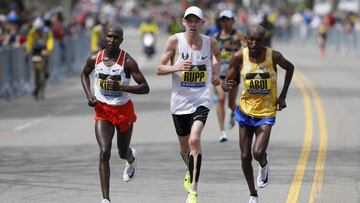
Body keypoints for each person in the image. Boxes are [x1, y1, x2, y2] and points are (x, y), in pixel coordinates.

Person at [222, 25, 294, 203]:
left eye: (258, 40)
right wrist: (226, 86)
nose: (254, 43)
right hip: (245, 111)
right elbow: (227, 82)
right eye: (251, 39)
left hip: (266, 111)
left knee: (257, 152)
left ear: (264, 40)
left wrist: (283, 95)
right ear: (246, 39)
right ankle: (253, 194)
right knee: (245, 156)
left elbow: (290, 68)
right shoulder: (240, 56)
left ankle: (264, 163)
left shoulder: (273, 56)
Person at [156, 6, 221, 203]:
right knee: (185, 148)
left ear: (202, 23)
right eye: (189, 20)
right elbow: (159, 68)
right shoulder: (175, 41)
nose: (192, 24)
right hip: (179, 102)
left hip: (201, 99)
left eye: (196, 20)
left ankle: (193, 190)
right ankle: (188, 169)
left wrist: (216, 74)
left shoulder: (210, 42)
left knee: (195, 140)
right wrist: (175, 67)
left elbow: (217, 56)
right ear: (183, 22)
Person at [81, 25, 150, 203]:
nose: (112, 40)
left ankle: (131, 158)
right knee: (104, 151)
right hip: (103, 110)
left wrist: (121, 87)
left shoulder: (127, 61)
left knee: (122, 152)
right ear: (105, 37)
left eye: (116, 37)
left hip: (123, 111)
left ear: (121, 40)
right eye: (110, 36)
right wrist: (89, 95)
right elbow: (84, 75)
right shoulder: (94, 59)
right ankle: (106, 199)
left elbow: (145, 88)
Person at [212, 10, 245, 142]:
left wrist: (239, 51)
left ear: (233, 21)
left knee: (231, 104)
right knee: (220, 98)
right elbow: (210, 54)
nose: (225, 22)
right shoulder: (215, 36)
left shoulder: (237, 35)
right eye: (223, 20)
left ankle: (233, 112)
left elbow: (247, 49)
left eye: (228, 19)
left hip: (233, 74)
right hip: (219, 74)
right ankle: (222, 131)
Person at [25, 17, 54, 99]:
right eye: (37, 30)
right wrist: (27, 51)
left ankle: (46, 70)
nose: (38, 31)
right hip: (36, 50)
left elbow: (50, 40)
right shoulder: (32, 32)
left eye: (39, 30)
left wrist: (48, 50)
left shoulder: (47, 31)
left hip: (44, 49)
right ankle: (36, 85)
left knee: (46, 57)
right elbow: (29, 42)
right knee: (36, 69)